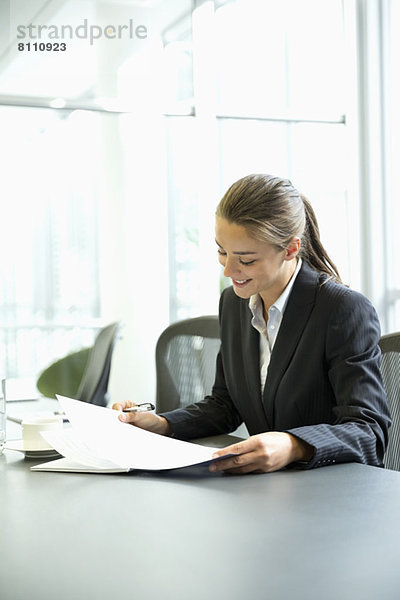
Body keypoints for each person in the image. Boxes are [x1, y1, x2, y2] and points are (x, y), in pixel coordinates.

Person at [113, 173, 391, 474]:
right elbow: (226, 404)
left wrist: (293, 445)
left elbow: (369, 431)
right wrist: (163, 423)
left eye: (246, 260)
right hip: (264, 494)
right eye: (222, 252)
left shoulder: (341, 309)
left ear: (290, 249)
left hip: (330, 493)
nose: (229, 270)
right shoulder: (234, 304)